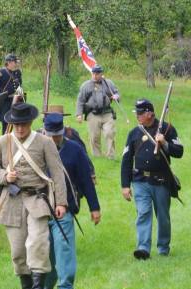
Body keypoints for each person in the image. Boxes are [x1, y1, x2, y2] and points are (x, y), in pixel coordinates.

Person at [0, 103, 67, 289]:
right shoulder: (2, 143)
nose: (20, 128)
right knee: (18, 250)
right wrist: (5, 176)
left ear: (30, 123)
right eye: (16, 124)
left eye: (23, 124)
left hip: (38, 199)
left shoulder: (45, 142)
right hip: (12, 201)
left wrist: (61, 202)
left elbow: (57, 173)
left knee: (38, 242)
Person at [41, 113, 101, 289]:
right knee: (45, 249)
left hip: (64, 207)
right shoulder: (36, 150)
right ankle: (45, 285)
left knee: (64, 247)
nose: (53, 139)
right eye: (50, 135)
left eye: (57, 135)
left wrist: (94, 207)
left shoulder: (74, 150)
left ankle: (65, 287)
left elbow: (85, 180)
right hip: (41, 207)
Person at [121, 99, 184, 259]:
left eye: (141, 113)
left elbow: (179, 151)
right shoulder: (134, 133)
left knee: (163, 216)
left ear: (150, 114)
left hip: (161, 180)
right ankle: (143, 248)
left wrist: (164, 143)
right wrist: (125, 185)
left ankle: (163, 247)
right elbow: (127, 159)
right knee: (143, 213)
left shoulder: (167, 129)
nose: (138, 116)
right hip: (140, 180)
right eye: (137, 113)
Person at [75, 65, 120, 159]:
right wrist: (79, 114)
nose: (95, 76)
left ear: (101, 74)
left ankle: (111, 156)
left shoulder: (108, 83)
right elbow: (80, 100)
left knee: (109, 133)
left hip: (107, 113)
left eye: (97, 74)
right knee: (94, 136)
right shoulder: (86, 85)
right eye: (93, 74)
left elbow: (116, 93)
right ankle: (97, 156)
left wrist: (116, 97)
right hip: (93, 114)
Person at [43, 104, 96, 183]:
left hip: (67, 172)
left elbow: (82, 153)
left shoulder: (70, 132)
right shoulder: (40, 133)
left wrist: (91, 173)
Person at [0, 53, 23, 134]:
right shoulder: (0, 73)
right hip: (5, 104)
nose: (16, 64)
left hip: (16, 102)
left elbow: (19, 86)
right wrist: (0, 97)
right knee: (6, 126)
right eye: (14, 62)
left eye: (16, 62)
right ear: (9, 62)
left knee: (17, 124)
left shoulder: (17, 73)